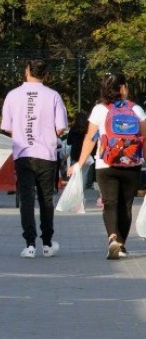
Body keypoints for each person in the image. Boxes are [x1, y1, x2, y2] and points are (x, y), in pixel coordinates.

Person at [68, 72, 146, 260]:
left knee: (109, 204)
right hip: (132, 164)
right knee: (126, 206)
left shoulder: (99, 110)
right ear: (121, 89)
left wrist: (79, 162)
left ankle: (112, 238)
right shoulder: (137, 110)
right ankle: (122, 244)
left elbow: (90, 138)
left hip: (105, 164)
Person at [1, 59, 67, 258]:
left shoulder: (12, 95)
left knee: (27, 198)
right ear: (46, 74)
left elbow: (7, 127)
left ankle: (29, 244)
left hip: (22, 153)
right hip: (46, 153)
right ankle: (47, 243)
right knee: (46, 199)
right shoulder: (53, 96)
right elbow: (60, 128)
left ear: (27, 71)